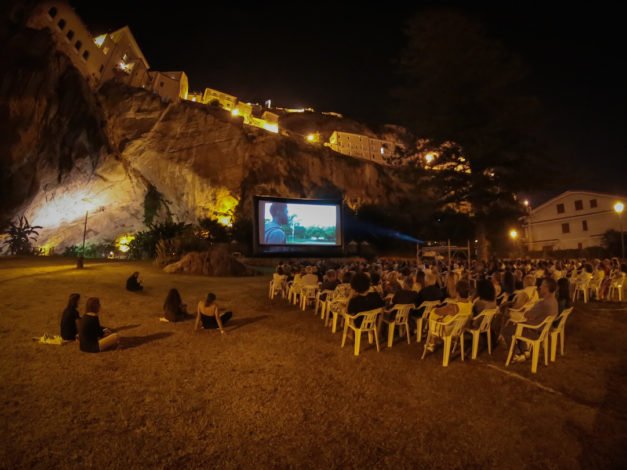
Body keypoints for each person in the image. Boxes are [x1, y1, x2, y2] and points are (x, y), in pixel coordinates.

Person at [501, 278, 558, 362]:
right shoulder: (554, 301)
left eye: (542, 285)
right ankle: (525, 350)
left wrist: (530, 310)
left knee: (506, 330)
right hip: (542, 330)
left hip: (534, 331)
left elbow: (527, 315)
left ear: (546, 288)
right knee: (518, 326)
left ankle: (516, 354)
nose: (540, 287)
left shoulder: (543, 303)